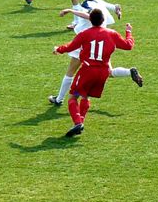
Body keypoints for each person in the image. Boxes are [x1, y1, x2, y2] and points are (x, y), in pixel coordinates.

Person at [49, 0, 142, 107]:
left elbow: (89, 16)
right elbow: (115, 7)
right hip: (103, 40)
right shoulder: (100, 2)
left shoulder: (84, 6)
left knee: (70, 72)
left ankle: (59, 99)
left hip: (87, 41)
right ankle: (129, 72)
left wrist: (72, 10)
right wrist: (118, 11)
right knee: (107, 71)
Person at [54, 9, 135, 137]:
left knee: (73, 97)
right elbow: (128, 45)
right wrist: (128, 31)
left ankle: (77, 122)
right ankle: (81, 122)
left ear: (90, 20)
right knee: (85, 96)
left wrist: (58, 49)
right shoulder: (112, 34)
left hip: (87, 70)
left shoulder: (84, 34)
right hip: (103, 73)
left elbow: (70, 47)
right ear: (103, 21)